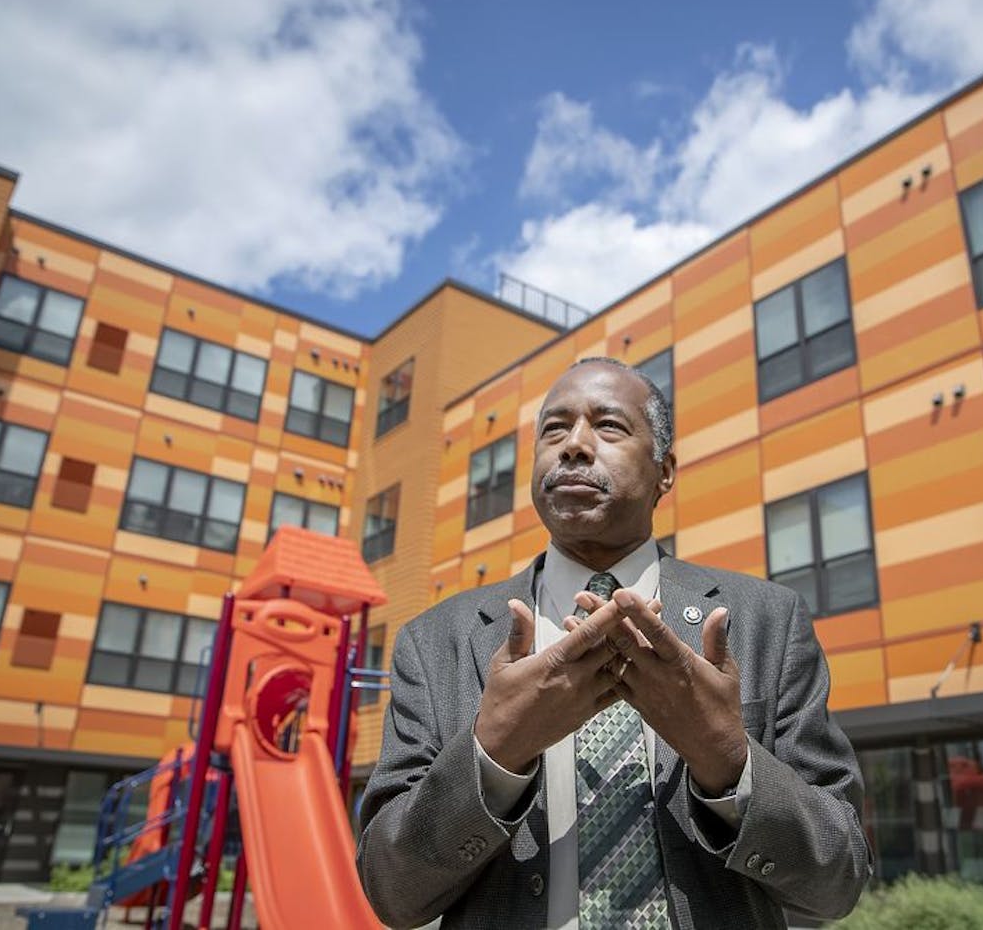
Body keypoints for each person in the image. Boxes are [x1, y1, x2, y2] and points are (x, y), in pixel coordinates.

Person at [358, 357, 870, 928]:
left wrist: (728, 761)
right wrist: (494, 755)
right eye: (555, 428)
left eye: (609, 426)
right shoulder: (435, 643)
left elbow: (838, 881)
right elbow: (391, 891)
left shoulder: (768, 622)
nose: (573, 445)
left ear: (665, 471)